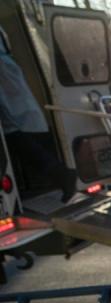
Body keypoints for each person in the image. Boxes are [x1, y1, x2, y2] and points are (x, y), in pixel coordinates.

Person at [0, 26, 74, 202]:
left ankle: (60, 174)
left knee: (13, 133)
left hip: (4, 75)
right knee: (21, 131)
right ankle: (59, 174)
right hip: (8, 72)